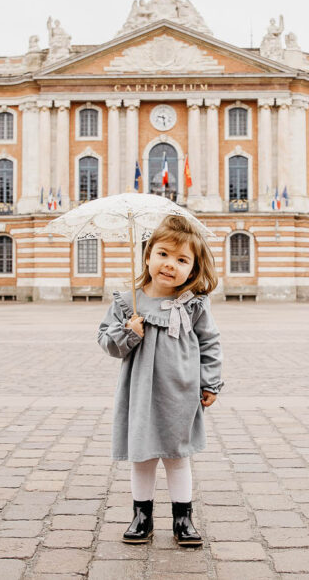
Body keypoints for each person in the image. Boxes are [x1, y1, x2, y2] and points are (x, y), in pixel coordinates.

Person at [97, 214, 222, 547]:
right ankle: (142, 516)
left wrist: (210, 382)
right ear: (148, 254)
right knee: (144, 455)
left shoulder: (193, 303)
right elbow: (107, 343)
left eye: (182, 260)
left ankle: (183, 518)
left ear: (193, 269)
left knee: (177, 456)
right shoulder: (128, 302)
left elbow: (209, 341)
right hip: (140, 392)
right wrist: (128, 333)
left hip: (180, 391)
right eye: (164, 254)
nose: (170, 265)